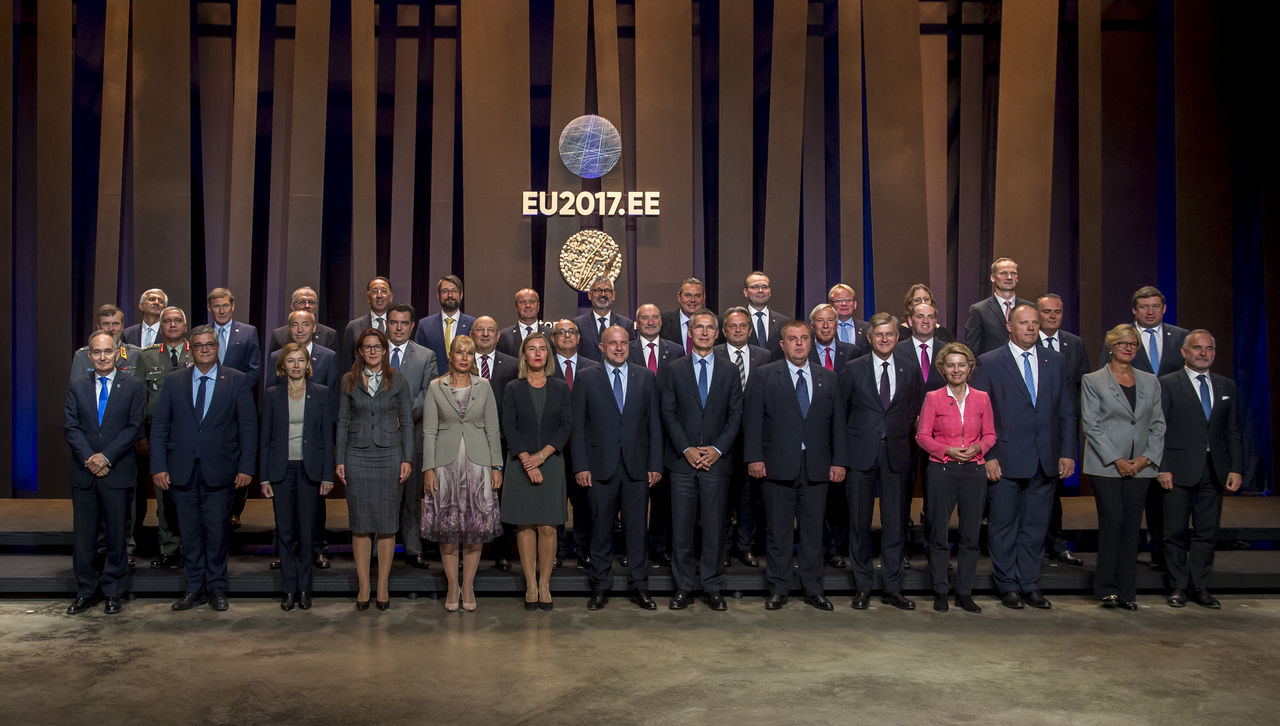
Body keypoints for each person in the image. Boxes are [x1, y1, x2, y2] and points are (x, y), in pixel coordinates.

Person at [970, 304, 1076, 610]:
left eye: (1034, 323)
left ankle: (1029, 583)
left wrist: (1068, 452)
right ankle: (1007, 585)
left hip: (1046, 458)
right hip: (1004, 459)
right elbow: (980, 414)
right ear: (1009, 326)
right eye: (1024, 323)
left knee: (1035, 526)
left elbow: (1067, 411)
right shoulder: (989, 362)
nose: (1030, 328)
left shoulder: (1055, 361)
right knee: (1003, 526)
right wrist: (988, 455)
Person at [150, 325, 257, 612]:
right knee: (189, 533)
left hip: (221, 471)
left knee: (218, 533)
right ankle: (194, 588)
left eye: (209, 344)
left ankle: (216, 588)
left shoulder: (237, 380)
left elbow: (248, 428)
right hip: (182, 471)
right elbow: (160, 428)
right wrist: (158, 466)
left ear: (217, 347)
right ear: (191, 349)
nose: (205, 349)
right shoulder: (174, 382)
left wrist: (246, 467)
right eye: (198, 345)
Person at [743, 320, 847, 611]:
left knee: (813, 533)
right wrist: (754, 458)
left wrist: (839, 461)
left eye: (803, 338)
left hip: (816, 467)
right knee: (778, 532)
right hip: (776, 466)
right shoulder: (764, 375)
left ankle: (813, 589)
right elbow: (752, 420)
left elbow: (837, 423)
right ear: (782, 344)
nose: (799, 343)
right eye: (792, 338)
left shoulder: (828, 377)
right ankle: (779, 588)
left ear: (811, 342)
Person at [1099, 285, 1189, 572]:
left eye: (1155, 306)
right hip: (1129, 431)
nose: (1150, 312)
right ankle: (1127, 557)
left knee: (1167, 498)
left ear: (1164, 309)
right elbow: (1104, 383)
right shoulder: (1120, 338)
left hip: (1171, 428)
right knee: (1132, 500)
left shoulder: (1182, 338)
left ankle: (1164, 557)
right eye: (1144, 307)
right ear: (1134, 310)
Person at [573, 325, 663, 611]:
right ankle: (601, 586)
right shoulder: (586, 377)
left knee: (637, 532)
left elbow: (654, 425)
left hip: (637, 468)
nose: (619, 348)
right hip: (599, 468)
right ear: (602, 347)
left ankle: (640, 587)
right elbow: (578, 427)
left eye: (623, 343)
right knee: (600, 530)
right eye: (613, 343)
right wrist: (581, 466)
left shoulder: (645, 377)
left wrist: (655, 464)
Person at [660, 309, 743, 611]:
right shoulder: (674, 369)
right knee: (681, 529)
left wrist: (717, 449)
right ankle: (684, 587)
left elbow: (735, 415)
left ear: (717, 334)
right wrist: (687, 449)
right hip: (682, 463)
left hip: (716, 464)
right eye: (699, 327)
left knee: (714, 528)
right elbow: (668, 413)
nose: (705, 332)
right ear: (690, 332)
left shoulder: (730, 370)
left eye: (710, 328)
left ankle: (712, 586)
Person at [840, 313, 924, 611]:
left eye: (890, 334)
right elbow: (841, 414)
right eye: (879, 335)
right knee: (859, 524)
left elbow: (913, 409)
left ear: (897, 337)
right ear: (869, 337)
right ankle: (862, 587)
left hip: (897, 455)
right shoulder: (853, 369)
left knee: (895, 524)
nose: (885, 339)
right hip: (860, 456)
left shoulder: (910, 369)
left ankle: (893, 588)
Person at [1082, 325, 1166, 610]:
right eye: (1122, 343)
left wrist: (1145, 459)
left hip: (1141, 466)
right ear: (1111, 346)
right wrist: (1117, 459)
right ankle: (1107, 588)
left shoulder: (1150, 381)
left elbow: (1158, 424)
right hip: (1106, 465)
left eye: (1133, 344)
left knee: (1132, 527)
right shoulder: (1093, 380)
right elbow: (1091, 424)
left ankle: (1128, 592)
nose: (1128, 348)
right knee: (1113, 521)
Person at [1158, 330, 1243, 609]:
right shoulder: (1167, 384)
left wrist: (1235, 468)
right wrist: (1162, 467)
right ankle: (1178, 587)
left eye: (1208, 348)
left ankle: (1200, 587)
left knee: (1207, 532)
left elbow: (1233, 430)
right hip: (1178, 470)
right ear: (1185, 352)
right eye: (1197, 348)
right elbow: (1159, 430)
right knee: (1174, 532)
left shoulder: (1226, 385)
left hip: (1214, 470)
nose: (1203, 353)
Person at [64, 330, 147, 615]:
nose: (102, 357)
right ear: (89, 356)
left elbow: (134, 427)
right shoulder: (77, 386)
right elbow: (71, 427)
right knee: (84, 538)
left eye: (107, 351)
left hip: (118, 472)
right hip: (84, 473)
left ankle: (113, 593)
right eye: (97, 352)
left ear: (117, 354)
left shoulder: (134, 386)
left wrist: (106, 457)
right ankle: (85, 591)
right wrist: (90, 458)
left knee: (116, 536)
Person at [421, 335, 504, 612]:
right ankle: (452, 586)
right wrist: (428, 468)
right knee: (448, 531)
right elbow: (429, 432)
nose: (465, 357)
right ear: (451, 356)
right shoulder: (436, 386)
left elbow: (492, 429)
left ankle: (467, 586)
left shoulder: (484, 386)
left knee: (474, 531)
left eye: (469, 353)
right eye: (460, 352)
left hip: (478, 466)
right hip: (444, 467)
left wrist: (496, 466)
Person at [335, 328, 414, 611]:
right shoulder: (349, 379)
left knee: (386, 523)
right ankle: (363, 586)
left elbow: (407, 420)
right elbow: (343, 421)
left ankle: (382, 585)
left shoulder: (398, 379)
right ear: (360, 351)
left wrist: (407, 458)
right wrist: (339, 459)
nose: (372, 351)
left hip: (390, 455)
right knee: (360, 524)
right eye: (367, 347)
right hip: (356, 455)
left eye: (377, 347)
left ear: (384, 350)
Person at [914, 342, 995, 613]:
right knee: (938, 533)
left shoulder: (982, 398)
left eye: (961, 365)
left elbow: (990, 435)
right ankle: (940, 590)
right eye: (951, 365)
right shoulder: (933, 398)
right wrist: (946, 450)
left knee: (971, 536)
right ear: (942, 369)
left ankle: (964, 592)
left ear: (970, 368)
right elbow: (922, 436)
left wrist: (979, 447)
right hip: (942, 471)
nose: (956, 370)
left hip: (974, 472)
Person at [259, 343, 334, 611]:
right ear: (283, 365)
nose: (296, 365)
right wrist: (264, 478)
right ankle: (289, 589)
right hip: (281, 470)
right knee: (285, 532)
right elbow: (265, 438)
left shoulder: (321, 393)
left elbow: (327, 436)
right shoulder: (272, 395)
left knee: (306, 531)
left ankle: (304, 589)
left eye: (300, 360)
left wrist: (327, 475)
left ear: (307, 364)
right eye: (290, 361)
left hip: (310, 470)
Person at [500, 333, 572, 611]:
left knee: (548, 526)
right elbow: (509, 426)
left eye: (543, 348)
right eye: (532, 348)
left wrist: (541, 456)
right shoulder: (513, 388)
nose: (538, 353)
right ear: (524, 355)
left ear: (548, 355)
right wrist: (527, 460)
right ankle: (530, 583)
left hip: (551, 462)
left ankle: (545, 584)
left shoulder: (560, 387)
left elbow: (566, 425)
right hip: (520, 462)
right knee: (525, 525)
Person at [133, 306, 192, 570]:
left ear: (185, 325)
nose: (172, 324)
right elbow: (139, 399)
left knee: (189, 494)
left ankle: (190, 548)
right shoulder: (147, 356)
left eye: (177, 320)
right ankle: (169, 548)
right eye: (167, 321)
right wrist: (141, 435)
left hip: (191, 436)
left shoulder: (198, 351)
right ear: (161, 326)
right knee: (163, 496)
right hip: (159, 434)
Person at [714, 306, 771, 567]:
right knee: (723, 497)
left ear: (750, 330)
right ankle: (724, 547)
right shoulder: (714, 354)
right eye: (732, 326)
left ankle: (745, 546)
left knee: (749, 496)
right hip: (721, 437)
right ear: (724, 331)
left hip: (753, 437)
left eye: (742, 326)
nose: (738, 330)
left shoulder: (765, 356)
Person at [1037, 293, 1091, 566]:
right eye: (1047, 311)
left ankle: (1057, 545)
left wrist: (1071, 416)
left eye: (1057, 311)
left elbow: (1083, 385)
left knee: (1053, 491)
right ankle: (1032, 547)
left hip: (1062, 427)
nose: (1052, 316)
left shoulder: (1074, 343)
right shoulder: (1024, 342)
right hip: (1032, 429)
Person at [628, 303, 684, 567]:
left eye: (655, 317)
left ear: (661, 321)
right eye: (645, 318)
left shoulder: (676, 350)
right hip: (634, 433)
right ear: (637, 323)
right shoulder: (626, 349)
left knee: (663, 499)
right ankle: (633, 550)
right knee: (633, 499)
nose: (650, 322)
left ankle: (660, 548)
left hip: (668, 434)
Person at [384, 304, 437, 569]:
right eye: (394, 322)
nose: (399, 328)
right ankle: (380, 549)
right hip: (379, 437)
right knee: (383, 497)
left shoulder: (426, 356)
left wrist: (402, 417)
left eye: (404, 323)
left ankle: (413, 548)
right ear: (387, 324)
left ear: (412, 326)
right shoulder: (374, 351)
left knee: (412, 499)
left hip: (413, 435)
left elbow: (427, 393)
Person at [470, 314, 519, 571]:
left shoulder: (512, 364)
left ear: (498, 336)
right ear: (472, 335)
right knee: (471, 497)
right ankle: (470, 553)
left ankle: (502, 552)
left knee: (501, 499)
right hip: (469, 441)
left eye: (491, 330)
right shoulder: (462, 362)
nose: (486, 334)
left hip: (502, 441)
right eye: (480, 330)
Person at [549, 319, 599, 568]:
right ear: (553, 339)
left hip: (585, 449)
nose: (567, 336)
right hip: (553, 449)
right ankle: (557, 552)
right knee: (555, 502)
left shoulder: (594, 368)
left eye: (572, 332)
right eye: (561, 332)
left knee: (583, 503)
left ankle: (582, 550)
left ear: (579, 338)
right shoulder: (544, 367)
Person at [963, 258, 1032, 356]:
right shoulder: (979, 310)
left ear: (1017, 278)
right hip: (992, 364)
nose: (1009, 277)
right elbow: (972, 350)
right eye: (1003, 273)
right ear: (993, 278)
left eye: (1013, 273)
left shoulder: (1030, 308)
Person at [264, 310, 339, 392]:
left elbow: (333, 394)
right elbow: (270, 394)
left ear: (314, 328)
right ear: (289, 329)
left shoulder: (328, 357)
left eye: (305, 325)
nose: (300, 330)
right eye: (295, 325)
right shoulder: (276, 357)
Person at [414, 274, 474, 374]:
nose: (450, 295)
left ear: (461, 295)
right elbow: (419, 359)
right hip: (433, 380)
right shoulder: (425, 325)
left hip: (465, 380)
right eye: (445, 291)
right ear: (438, 295)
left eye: (454, 291)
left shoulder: (473, 324)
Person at [70, 304, 141, 381]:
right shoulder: (82, 356)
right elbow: (76, 387)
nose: (111, 329)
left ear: (122, 326)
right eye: (106, 324)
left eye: (115, 324)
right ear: (98, 327)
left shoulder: (136, 354)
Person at [206, 287, 261, 388]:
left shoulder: (248, 332)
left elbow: (254, 368)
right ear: (209, 308)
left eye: (225, 306)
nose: (222, 311)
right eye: (217, 306)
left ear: (233, 306)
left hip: (237, 392)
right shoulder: (202, 333)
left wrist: (241, 390)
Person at [574, 275, 634, 362]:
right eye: (598, 290)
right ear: (590, 295)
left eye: (607, 291)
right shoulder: (578, 324)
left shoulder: (626, 324)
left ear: (613, 295)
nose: (603, 294)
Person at [267, 286, 339, 354]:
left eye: (311, 302)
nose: (307, 306)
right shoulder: (279, 335)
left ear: (316, 306)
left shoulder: (329, 335)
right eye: (302, 302)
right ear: (292, 306)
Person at [340, 277, 395, 365]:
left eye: (383, 291)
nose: (379, 295)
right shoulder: (353, 327)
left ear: (390, 297)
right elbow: (346, 364)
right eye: (374, 291)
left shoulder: (399, 327)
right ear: (368, 298)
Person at [497, 288, 553, 356]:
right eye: (522, 302)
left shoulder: (551, 335)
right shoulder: (503, 337)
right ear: (516, 307)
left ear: (538, 306)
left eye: (532, 301)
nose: (527, 305)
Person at [659, 277, 709, 354]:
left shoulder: (717, 323)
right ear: (679, 297)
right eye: (688, 295)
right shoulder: (663, 322)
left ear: (704, 297)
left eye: (697, 296)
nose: (692, 300)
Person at [743, 271, 788, 350]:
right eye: (755, 287)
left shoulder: (784, 322)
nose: (760, 290)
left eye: (764, 287)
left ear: (770, 292)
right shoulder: (736, 321)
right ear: (745, 292)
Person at [828, 283, 869, 352]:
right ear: (830, 305)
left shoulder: (868, 328)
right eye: (839, 300)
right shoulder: (824, 328)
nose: (844, 304)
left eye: (848, 300)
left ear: (855, 304)